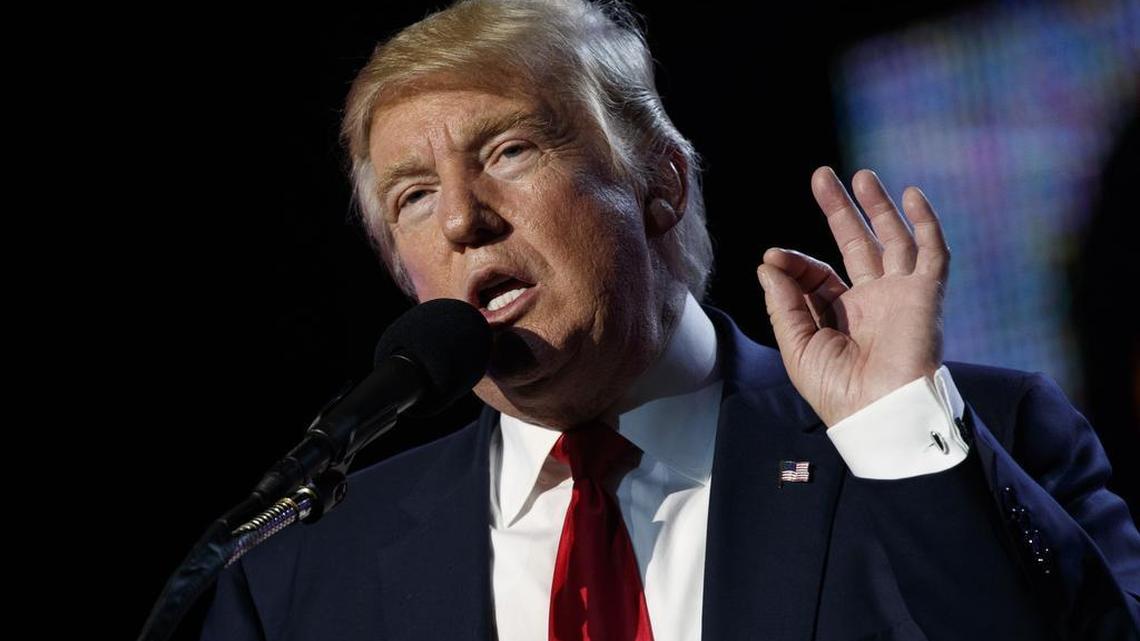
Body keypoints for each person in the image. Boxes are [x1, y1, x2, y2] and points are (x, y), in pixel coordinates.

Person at [199, 1, 1140, 639]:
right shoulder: (297, 576)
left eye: (511, 150)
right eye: (411, 196)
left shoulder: (967, 441)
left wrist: (897, 429)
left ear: (657, 180)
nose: (460, 217)